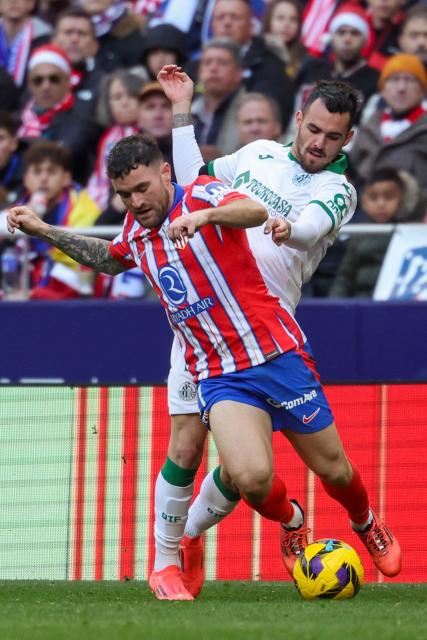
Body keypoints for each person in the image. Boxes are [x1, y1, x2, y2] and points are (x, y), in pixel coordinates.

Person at [155, 65, 402, 598]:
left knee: (333, 470)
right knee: (204, 452)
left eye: (333, 136)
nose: (319, 143)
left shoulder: (337, 188)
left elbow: (313, 222)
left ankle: (364, 522)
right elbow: (195, 180)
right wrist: (181, 111)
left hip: (268, 338)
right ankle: (182, 550)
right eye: (313, 130)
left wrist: (290, 228)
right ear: (298, 120)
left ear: (349, 139)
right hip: (202, 328)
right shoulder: (256, 154)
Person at [3, 140, 101, 299]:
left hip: (71, 285)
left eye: (51, 172)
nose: (43, 179)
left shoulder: (85, 209)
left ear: (66, 178)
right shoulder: (19, 206)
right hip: (26, 283)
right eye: (37, 172)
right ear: (26, 178)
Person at [330, 167, 426, 297]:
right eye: (374, 198)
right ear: (364, 201)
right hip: (362, 306)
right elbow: (345, 278)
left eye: (389, 197)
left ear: (402, 198)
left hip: (398, 305)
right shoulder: (359, 234)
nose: (381, 204)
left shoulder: (409, 236)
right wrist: (336, 307)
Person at [18, 43, 101, 185]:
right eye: (38, 80)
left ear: (67, 81)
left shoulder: (82, 117)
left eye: (54, 79)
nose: (46, 86)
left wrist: (19, 142)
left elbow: (61, 154)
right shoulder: (17, 120)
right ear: (30, 85)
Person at [349, 53, 427, 197]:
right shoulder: (370, 125)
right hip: (362, 210)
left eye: (410, 80)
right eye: (395, 79)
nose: (401, 88)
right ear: (383, 90)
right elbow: (353, 169)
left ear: (422, 90)